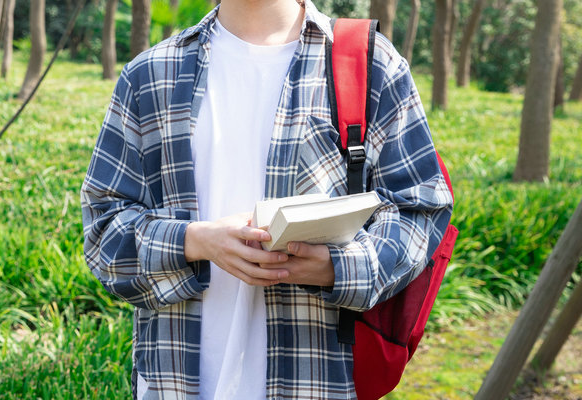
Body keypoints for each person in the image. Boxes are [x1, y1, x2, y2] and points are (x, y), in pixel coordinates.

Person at [80, 0, 453, 398]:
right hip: (175, 382)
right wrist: (197, 241)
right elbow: (104, 232)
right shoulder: (151, 75)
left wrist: (335, 268)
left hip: (313, 380)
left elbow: (421, 210)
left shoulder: (370, 63)